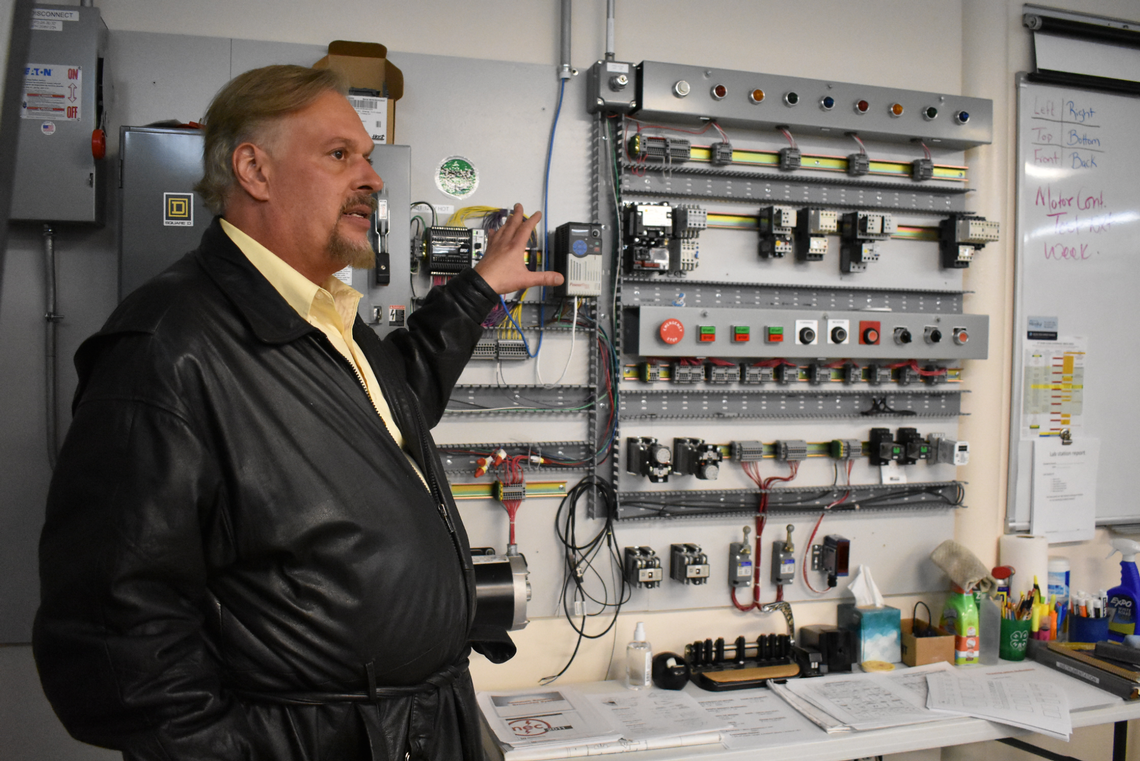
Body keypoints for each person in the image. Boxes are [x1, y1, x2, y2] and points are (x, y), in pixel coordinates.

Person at [33, 64, 562, 761]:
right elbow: (113, 628)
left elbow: (394, 401)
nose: (372, 178)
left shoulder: (323, 316)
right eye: (340, 155)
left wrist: (477, 289)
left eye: (369, 157)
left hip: (421, 727)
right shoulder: (167, 347)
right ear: (254, 168)